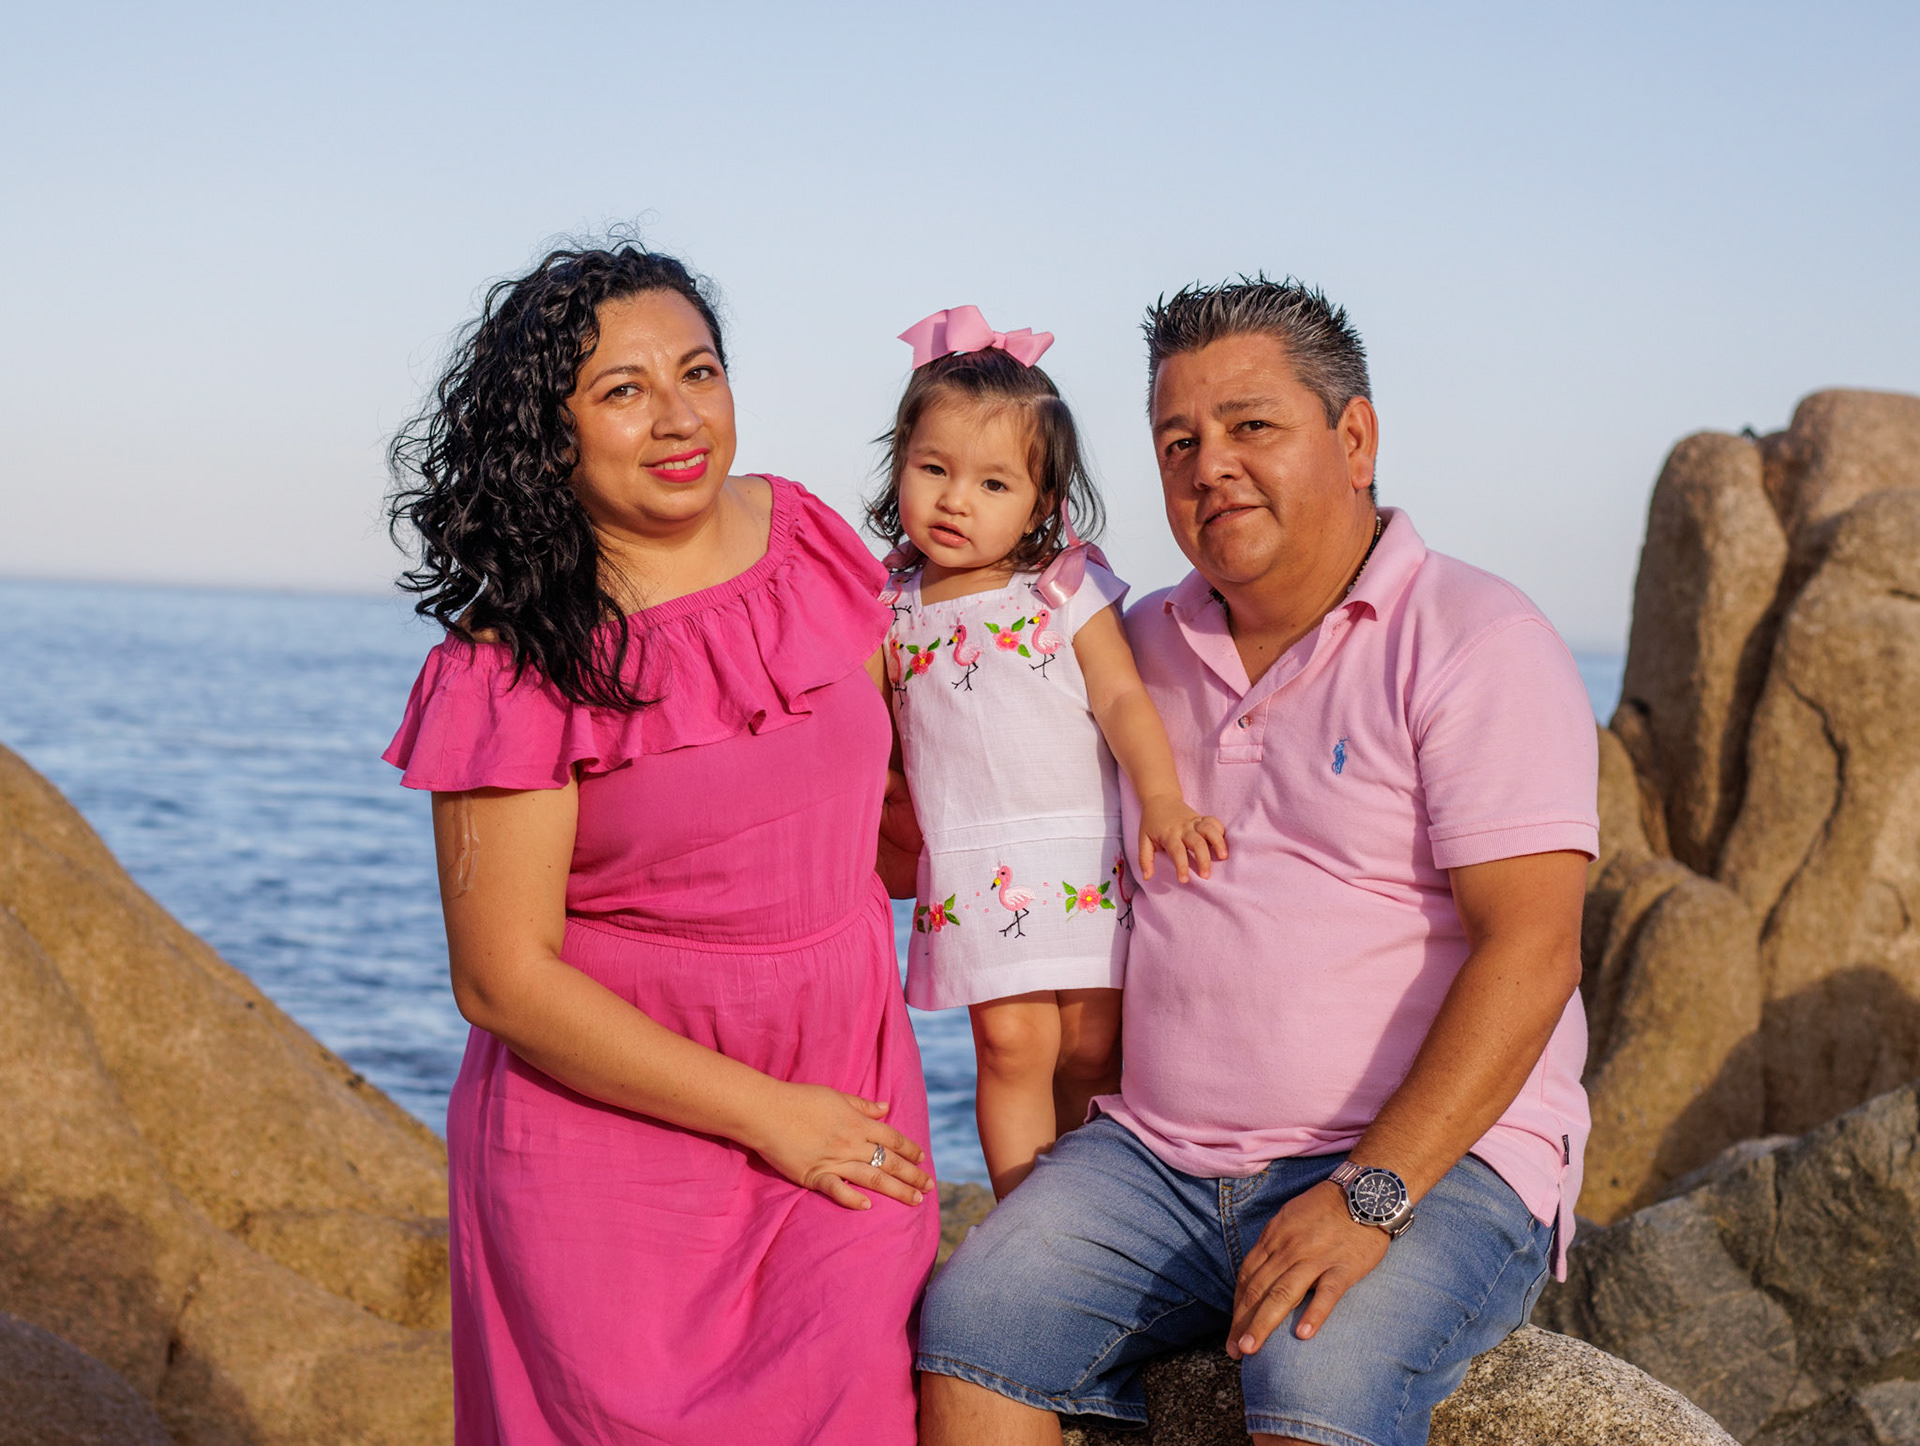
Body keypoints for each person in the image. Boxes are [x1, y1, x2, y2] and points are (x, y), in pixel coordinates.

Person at [917, 277, 1599, 1446]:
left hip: (1429, 1166)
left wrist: (1369, 1196)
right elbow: (970, 786)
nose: (1208, 464)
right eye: (1178, 440)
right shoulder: (1131, 647)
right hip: (1158, 1158)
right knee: (970, 1328)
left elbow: (1531, 952)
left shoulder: (1478, 638)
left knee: (1313, 1387)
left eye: (1251, 427)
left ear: (1355, 437)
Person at [381, 242, 937, 1445]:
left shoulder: (811, 540)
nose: (679, 417)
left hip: (845, 1082)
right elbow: (500, 978)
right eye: (623, 390)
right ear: (551, 431)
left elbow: (886, 800)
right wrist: (770, 1115)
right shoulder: (512, 660)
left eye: (700, 370)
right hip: (607, 1147)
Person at [869, 306, 1226, 1200]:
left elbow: (1120, 701)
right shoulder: (888, 609)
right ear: (900, 465)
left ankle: (1094, 1207)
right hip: (973, 855)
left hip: (1080, 852)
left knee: (1096, 1044)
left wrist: (1166, 799)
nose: (956, 499)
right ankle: (1029, 1215)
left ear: (1041, 501)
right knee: (1012, 1043)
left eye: (994, 484)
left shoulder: (1066, 589)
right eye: (935, 470)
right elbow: (864, 736)